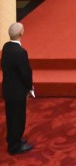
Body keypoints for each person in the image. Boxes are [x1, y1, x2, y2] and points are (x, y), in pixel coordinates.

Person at [2, 23, 32, 155]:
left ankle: (13, 139)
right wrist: (29, 87)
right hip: (18, 91)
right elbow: (25, 72)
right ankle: (15, 146)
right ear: (21, 34)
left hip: (8, 88)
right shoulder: (20, 52)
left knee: (11, 116)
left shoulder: (6, 47)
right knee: (18, 118)